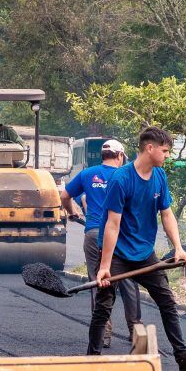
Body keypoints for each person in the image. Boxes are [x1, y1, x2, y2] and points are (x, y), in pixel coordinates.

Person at [91, 126, 186, 367]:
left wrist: (178, 247)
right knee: (104, 307)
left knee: (167, 301)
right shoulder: (121, 179)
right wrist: (105, 266)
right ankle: (91, 361)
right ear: (150, 148)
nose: (168, 155)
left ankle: (184, 357)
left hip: (145, 253)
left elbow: (166, 214)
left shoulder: (159, 177)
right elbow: (112, 225)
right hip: (117, 253)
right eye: (165, 151)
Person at [61, 138, 141, 349]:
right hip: (123, 235)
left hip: (94, 233)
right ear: (120, 155)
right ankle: (136, 332)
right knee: (129, 281)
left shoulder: (88, 174)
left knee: (98, 282)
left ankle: (103, 334)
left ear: (103, 155)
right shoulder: (126, 174)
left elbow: (65, 195)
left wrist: (72, 213)